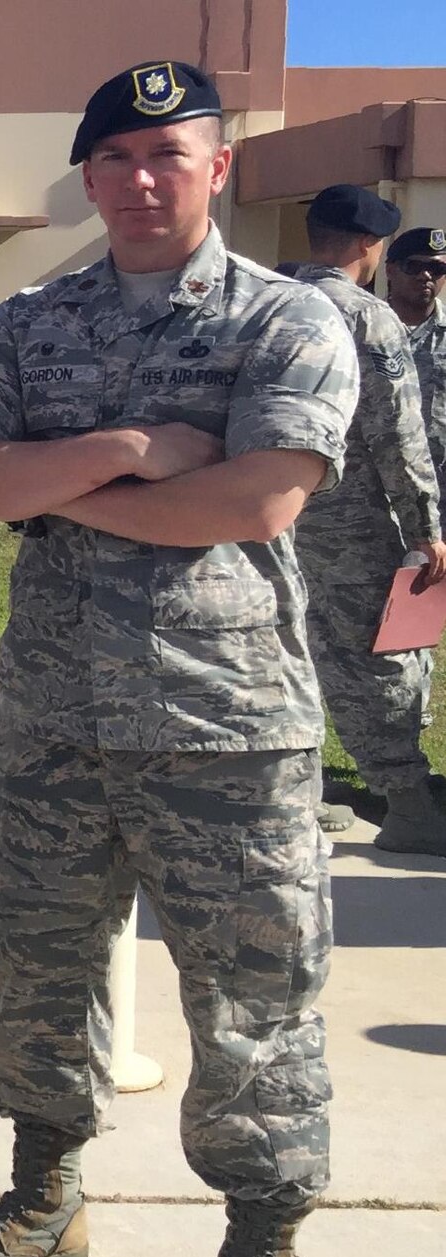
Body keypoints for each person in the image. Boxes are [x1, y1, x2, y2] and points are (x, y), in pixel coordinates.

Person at [0, 60, 356, 1257]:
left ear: (219, 166)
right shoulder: (30, 321)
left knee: (253, 1004)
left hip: (226, 725)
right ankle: (46, 1193)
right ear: (91, 176)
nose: (140, 179)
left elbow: (258, 503)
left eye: (169, 155)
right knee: (40, 978)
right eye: (114, 159)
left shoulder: (288, 322)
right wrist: (127, 447)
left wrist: (55, 491)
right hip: (56, 713)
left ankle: (261, 1252)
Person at [290, 186, 446, 853]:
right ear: (369, 246)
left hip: (268, 517)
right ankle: (408, 805)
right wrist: (424, 526)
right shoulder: (366, 317)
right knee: (379, 659)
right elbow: (397, 434)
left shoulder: (268, 300)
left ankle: (298, 789)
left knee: (288, 653)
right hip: (353, 521)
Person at [385, 226, 446, 484]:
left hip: (439, 485)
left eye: (437, 269)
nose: (426, 276)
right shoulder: (361, 329)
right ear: (390, 270)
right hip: (370, 491)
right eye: (414, 266)